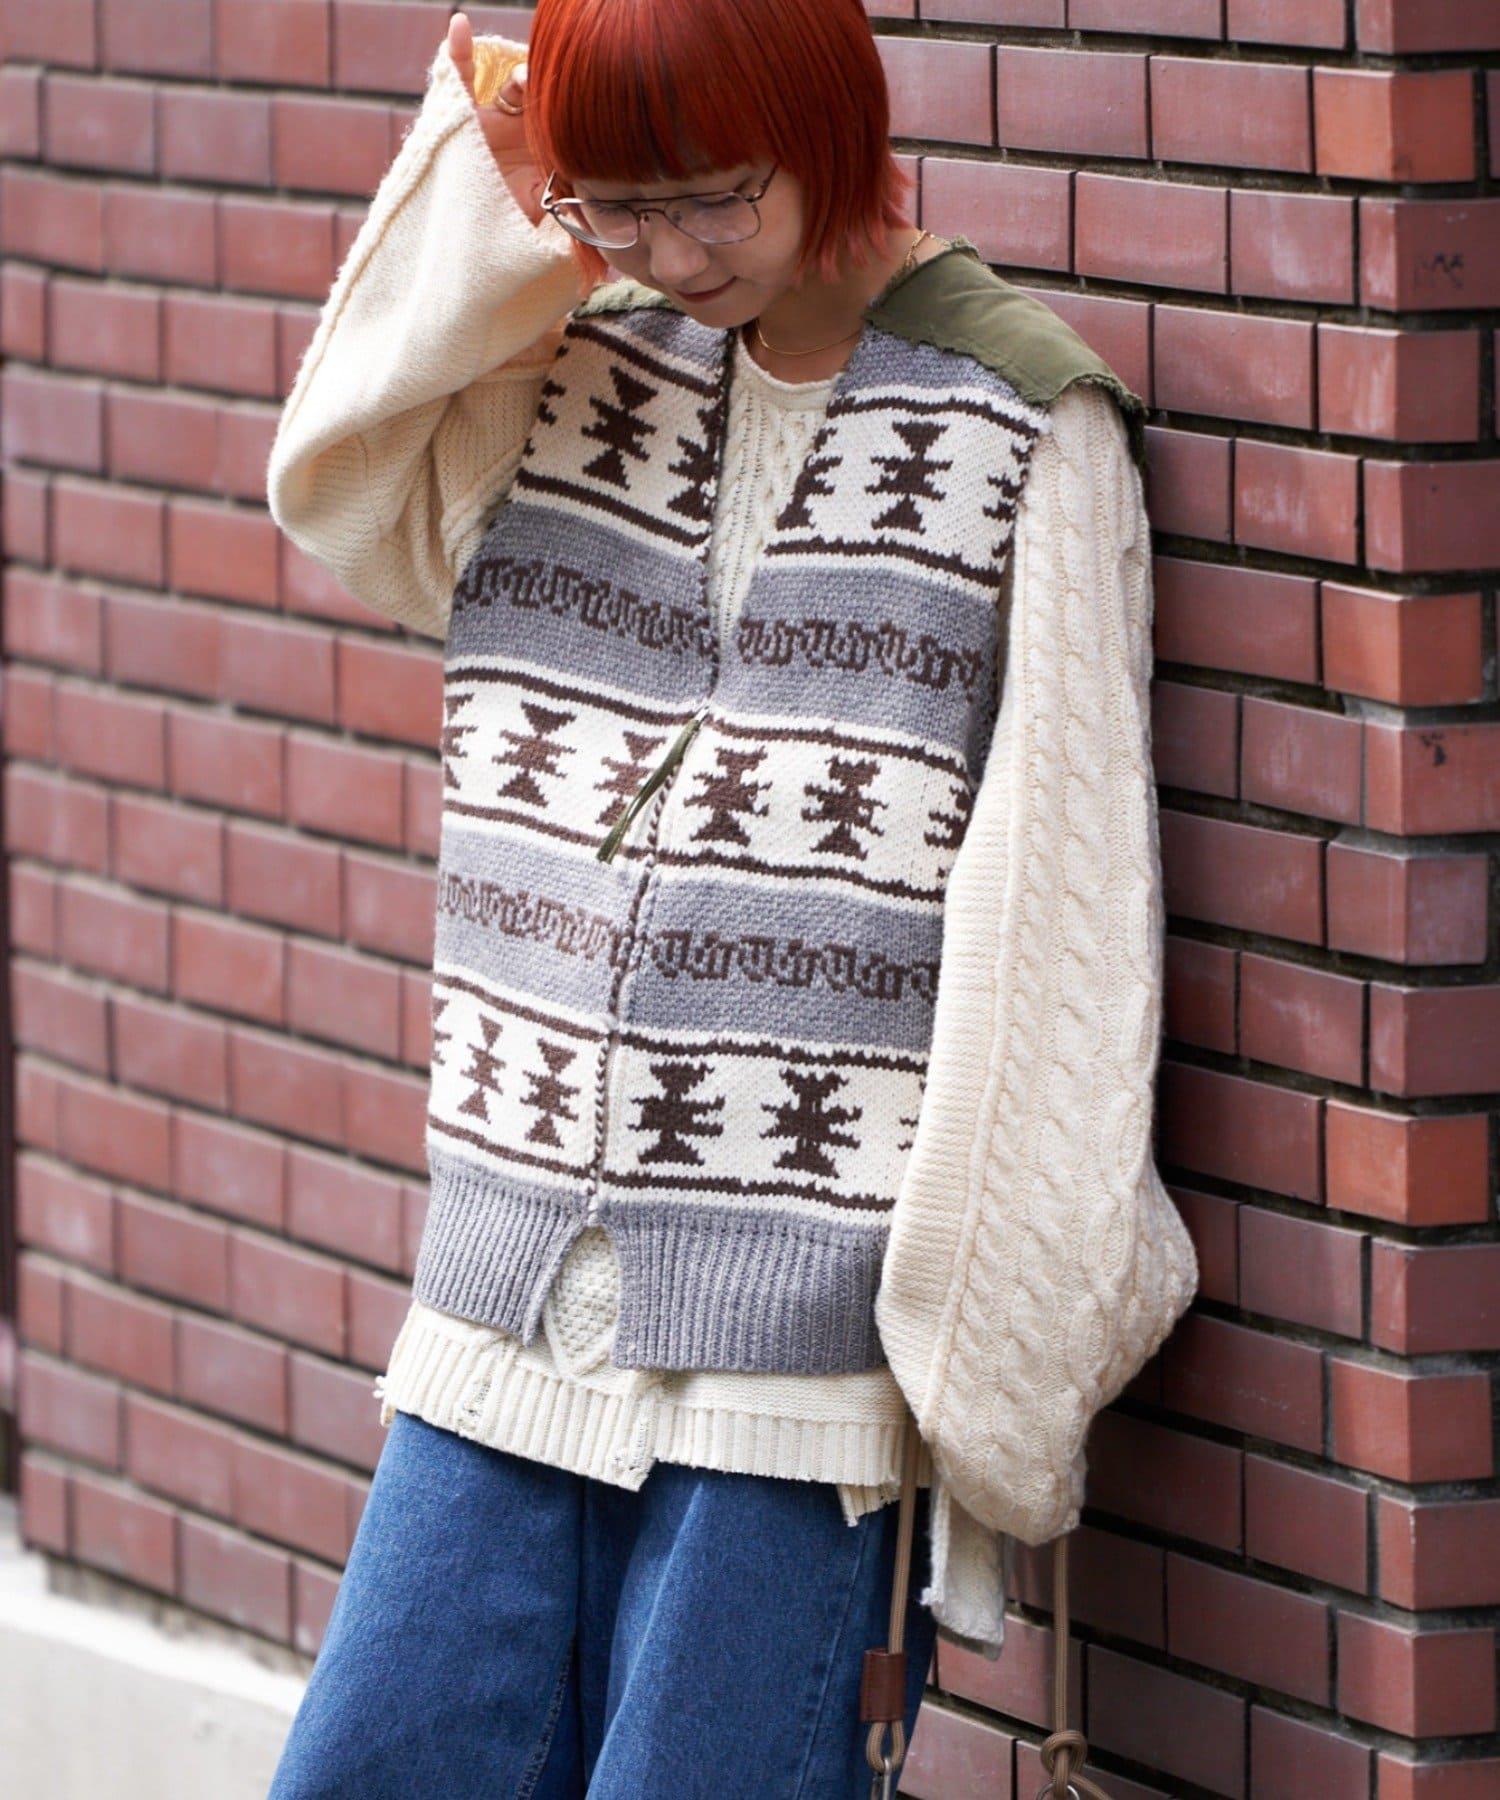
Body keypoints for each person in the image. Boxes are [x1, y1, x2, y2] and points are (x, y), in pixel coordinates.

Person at [263, 2, 1197, 1793]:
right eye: (617, 206)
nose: (673, 255)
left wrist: (984, 1381)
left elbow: (1063, 915)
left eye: (714, 197)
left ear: (831, 128)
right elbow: (348, 490)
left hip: (798, 1380)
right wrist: (502, 179)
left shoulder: (1020, 416)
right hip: (500, 1313)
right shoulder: (578, 359)